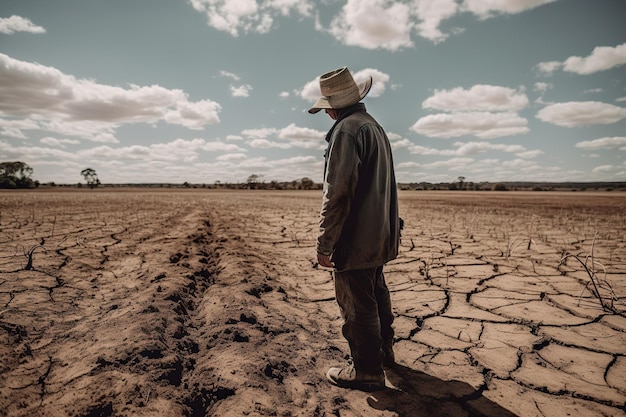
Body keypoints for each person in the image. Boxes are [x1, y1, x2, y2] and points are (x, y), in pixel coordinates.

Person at [309, 66, 401, 391]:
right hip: (380, 235)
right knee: (377, 292)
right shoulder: (372, 125)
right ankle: (384, 353)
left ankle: (366, 369)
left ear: (332, 106)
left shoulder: (346, 130)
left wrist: (325, 242)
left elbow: (337, 192)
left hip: (356, 239)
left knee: (357, 304)